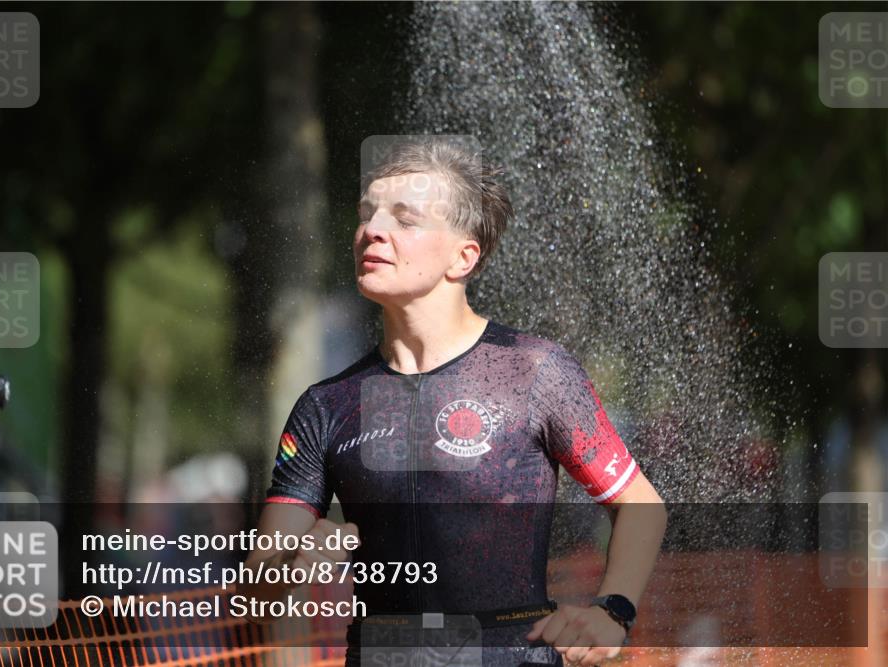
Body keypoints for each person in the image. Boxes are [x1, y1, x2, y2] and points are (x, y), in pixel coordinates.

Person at [244, 139, 668, 667]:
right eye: (367, 213)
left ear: (464, 256)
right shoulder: (326, 406)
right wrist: (295, 562)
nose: (372, 230)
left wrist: (614, 609)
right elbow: (259, 587)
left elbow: (640, 506)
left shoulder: (533, 372)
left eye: (405, 218)